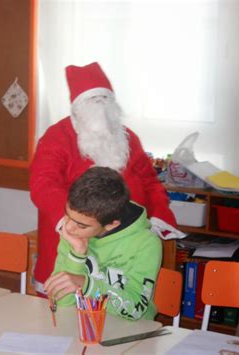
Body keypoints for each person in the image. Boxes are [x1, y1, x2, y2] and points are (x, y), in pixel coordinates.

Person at [30, 61, 181, 295]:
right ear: (77, 108)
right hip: (74, 240)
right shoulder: (57, 138)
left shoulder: (127, 137)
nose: (100, 109)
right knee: (66, 304)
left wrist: (159, 215)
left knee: (117, 300)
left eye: (104, 101)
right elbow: (43, 183)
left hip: (124, 243)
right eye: (92, 102)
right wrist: (73, 224)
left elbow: (150, 181)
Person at [44, 167, 161, 321]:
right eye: (67, 215)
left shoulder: (146, 244)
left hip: (128, 331)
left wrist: (86, 285)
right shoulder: (73, 234)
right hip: (81, 324)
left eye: (81, 225)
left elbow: (135, 310)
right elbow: (61, 302)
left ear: (111, 225)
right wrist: (77, 255)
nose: (69, 228)